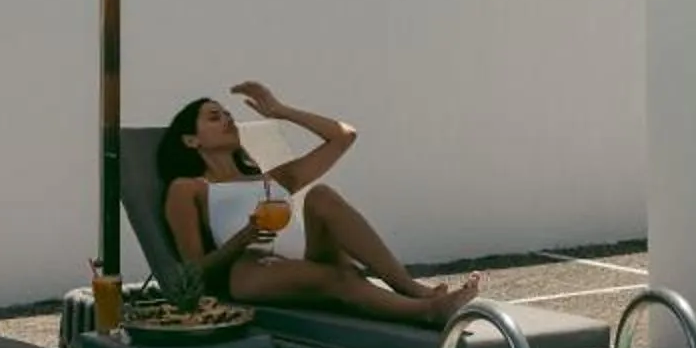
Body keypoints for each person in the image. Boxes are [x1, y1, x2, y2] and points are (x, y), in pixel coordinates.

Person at [159, 82, 479, 324]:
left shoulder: (272, 177)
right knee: (338, 279)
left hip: (304, 256)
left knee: (321, 196)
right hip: (249, 270)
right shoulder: (188, 188)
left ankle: (409, 287)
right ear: (191, 140)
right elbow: (193, 270)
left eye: (229, 114)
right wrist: (243, 238)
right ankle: (424, 311)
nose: (228, 119)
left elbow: (344, 136)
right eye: (215, 117)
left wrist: (279, 111)